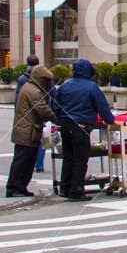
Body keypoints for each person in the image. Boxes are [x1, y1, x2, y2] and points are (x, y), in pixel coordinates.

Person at [49, 58, 115, 200]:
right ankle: (76, 190)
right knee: (80, 159)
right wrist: (110, 120)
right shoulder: (91, 87)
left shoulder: (65, 86)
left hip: (66, 127)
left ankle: (64, 188)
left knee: (68, 158)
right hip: (81, 127)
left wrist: (61, 120)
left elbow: (54, 107)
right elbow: (102, 107)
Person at [7, 64, 56, 197]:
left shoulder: (31, 88)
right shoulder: (33, 91)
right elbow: (42, 109)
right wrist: (56, 118)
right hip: (26, 132)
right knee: (22, 161)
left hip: (29, 131)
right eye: (46, 81)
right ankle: (14, 188)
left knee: (27, 162)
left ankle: (20, 187)